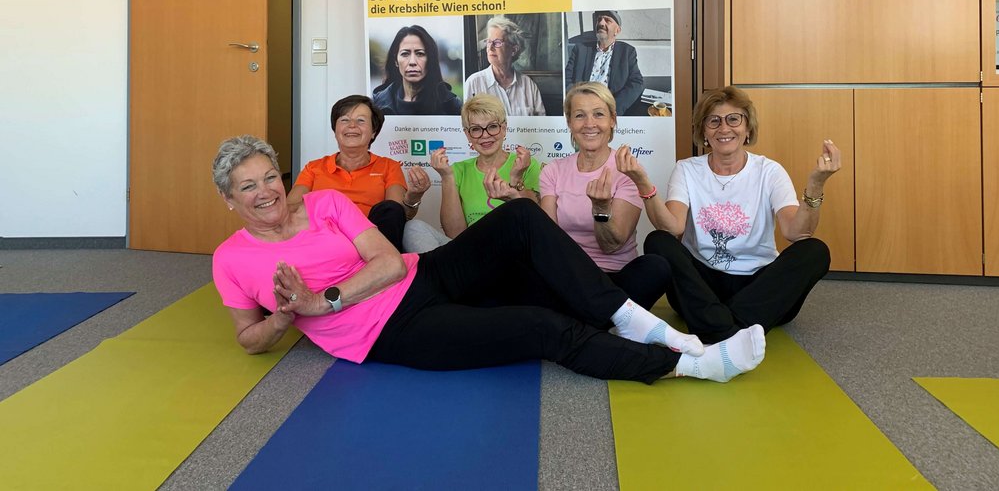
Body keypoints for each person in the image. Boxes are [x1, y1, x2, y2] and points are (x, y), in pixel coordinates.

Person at [211, 135, 767, 383]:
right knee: (541, 326)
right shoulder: (231, 260)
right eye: (248, 186)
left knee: (520, 216)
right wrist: (283, 318)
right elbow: (247, 338)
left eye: (270, 177)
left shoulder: (325, 203)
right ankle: (686, 365)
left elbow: (387, 263)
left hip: (419, 276)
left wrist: (322, 300)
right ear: (229, 200)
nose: (266, 192)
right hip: (389, 333)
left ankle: (635, 321)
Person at [615, 86, 837, 345]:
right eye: (714, 121)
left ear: (747, 127)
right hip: (702, 286)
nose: (724, 128)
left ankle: (717, 328)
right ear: (704, 131)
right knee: (658, 241)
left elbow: (796, 233)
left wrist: (816, 185)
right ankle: (733, 332)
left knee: (815, 250)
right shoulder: (686, 169)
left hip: (759, 288)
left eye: (733, 119)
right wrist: (643, 184)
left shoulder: (770, 171)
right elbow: (673, 228)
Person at [538, 82, 671, 309]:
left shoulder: (628, 171)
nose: (589, 124)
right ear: (569, 122)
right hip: (570, 276)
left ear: (612, 120)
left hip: (616, 278)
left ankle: (584, 318)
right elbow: (550, 242)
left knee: (656, 268)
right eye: (580, 115)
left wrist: (601, 210)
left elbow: (612, 245)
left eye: (598, 114)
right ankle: (607, 320)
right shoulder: (553, 171)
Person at [286, 95, 446, 254]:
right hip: (322, 241)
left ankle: (383, 263)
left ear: (373, 132)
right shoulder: (313, 168)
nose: (352, 125)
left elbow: (397, 215)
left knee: (390, 208)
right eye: (344, 120)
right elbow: (289, 209)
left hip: (371, 245)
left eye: (361, 120)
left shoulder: (388, 167)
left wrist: (413, 196)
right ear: (335, 130)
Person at [430, 94, 543, 237]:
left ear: (504, 128)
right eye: (476, 129)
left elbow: (536, 221)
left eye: (492, 126)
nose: (485, 135)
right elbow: (454, 233)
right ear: (467, 134)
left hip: (513, 243)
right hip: (472, 246)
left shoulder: (525, 165)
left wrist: (517, 179)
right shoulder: (457, 170)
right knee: (415, 228)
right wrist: (447, 178)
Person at [565, 10, 644, 115]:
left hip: (610, 108)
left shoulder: (627, 52)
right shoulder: (580, 49)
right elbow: (566, 79)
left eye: (607, 20)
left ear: (617, 30)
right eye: (599, 20)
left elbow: (637, 83)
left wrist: (614, 109)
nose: (601, 23)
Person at [464, 16, 545, 116]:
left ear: (514, 50)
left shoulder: (529, 85)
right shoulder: (474, 83)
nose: (490, 47)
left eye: (497, 42)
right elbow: (468, 123)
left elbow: (542, 122)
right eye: (489, 42)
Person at [372, 25, 462, 116]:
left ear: (430, 60)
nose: (412, 62)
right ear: (396, 60)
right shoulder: (377, 105)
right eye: (405, 54)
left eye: (420, 54)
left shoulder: (452, 106)